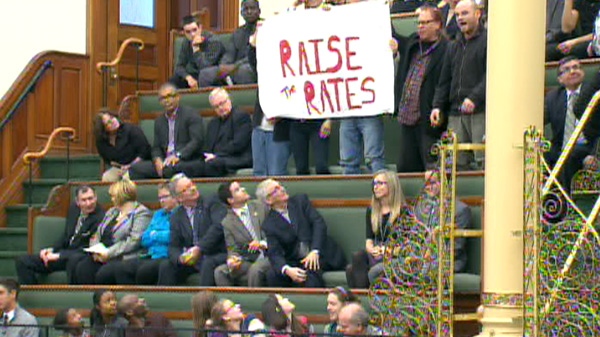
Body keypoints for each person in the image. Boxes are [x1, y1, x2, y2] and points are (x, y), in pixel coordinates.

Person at [431, 0, 487, 171]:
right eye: (457, 15)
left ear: (477, 14)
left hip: (480, 112)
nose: (460, 18)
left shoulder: (489, 41)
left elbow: (492, 75)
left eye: (465, 13)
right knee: (453, 164)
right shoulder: (453, 45)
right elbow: (444, 81)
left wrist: (474, 98)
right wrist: (437, 106)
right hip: (455, 113)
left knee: (483, 161)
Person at [394, 5, 449, 172]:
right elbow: (392, 35)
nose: (421, 26)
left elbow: (444, 84)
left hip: (427, 120)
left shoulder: (446, 49)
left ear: (438, 24)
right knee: (406, 168)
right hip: (407, 117)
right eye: (419, 23)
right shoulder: (413, 43)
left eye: (426, 22)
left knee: (431, 168)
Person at [15, 186, 104, 285]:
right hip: (63, 253)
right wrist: (52, 249)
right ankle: (33, 294)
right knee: (23, 261)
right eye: (84, 200)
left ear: (96, 197)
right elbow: (66, 236)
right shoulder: (73, 209)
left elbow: (88, 248)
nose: (88, 203)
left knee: (74, 261)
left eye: (90, 198)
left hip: (79, 257)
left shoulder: (101, 217)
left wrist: (59, 256)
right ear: (77, 202)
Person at [72, 180, 152, 284]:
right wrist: (95, 250)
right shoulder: (112, 211)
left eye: (113, 196)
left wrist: (108, 253)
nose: (111, 199)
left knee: (103, 274)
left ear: (121, 196)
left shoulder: (141, 213)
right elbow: (97, 234)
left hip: (122, 257)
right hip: (102, 255)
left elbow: (133, 241)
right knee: (82, 268)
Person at [158, 174, 227, 286]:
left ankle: (204, 302)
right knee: (167, 266)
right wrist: (180, 258)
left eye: (192, 184)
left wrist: (199, 248)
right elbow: (173, 246)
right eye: (187, 189)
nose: (193, 188)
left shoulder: (212, 202)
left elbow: (218, 227)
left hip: (215, 253)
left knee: (207, 263)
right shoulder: (177, 215)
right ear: (179, 198)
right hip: (193, 259)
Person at [256, 179, 327, 288]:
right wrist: (286, 269)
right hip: (296, 260)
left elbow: (319, 224)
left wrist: (315, 251)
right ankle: (282, 304)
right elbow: (275, 253)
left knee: (310, 274)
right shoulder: (269, 224)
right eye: (276, 189)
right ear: (269, 200)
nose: (282, 189)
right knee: (272, 275)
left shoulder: (300, 201)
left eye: (280, 186)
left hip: (318, 253)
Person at [129, 83, 205, 179]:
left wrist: (178, 156)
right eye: (163, 98)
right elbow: (156, 147)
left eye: (170, 96)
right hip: (166, 161)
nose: (166, 101)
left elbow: (196, 141)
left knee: (169, 170)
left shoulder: (191, 114)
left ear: (177, 97)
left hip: (186, 160)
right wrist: (157, 160)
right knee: (134, 169)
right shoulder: (159, 121)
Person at [346, 170, 407, 288]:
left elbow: (406, 244)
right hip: (376, 253)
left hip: (393, 254)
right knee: (357, 257)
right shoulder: (371, 210)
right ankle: (364, 296)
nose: (376, 187)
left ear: (391, 186)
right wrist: (372, 249)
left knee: (352, 270)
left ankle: (362, 298)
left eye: (380, 183)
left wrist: (386, 250)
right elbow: (369, 240)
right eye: (374, 184)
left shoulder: (403, 212)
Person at [545, 56, 597, 190]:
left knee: (570, 156)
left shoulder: (592, 93)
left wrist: (594, 153)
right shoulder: (553, 97)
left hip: (588, 146)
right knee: (538, 156)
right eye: (567, 70)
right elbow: (538, 119)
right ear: (560, 79)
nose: (573, 71)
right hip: (561, 149)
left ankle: (568, 204)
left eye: (576, 67)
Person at [248, 21, 291, 176]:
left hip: (279, 129)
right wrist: (256, 38)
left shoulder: (291, 71)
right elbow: (253, 59)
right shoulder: (264, 68)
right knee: (258, 172)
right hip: (259, 126)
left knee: (276, 173)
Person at [115, 184, 178, 285]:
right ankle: (130, 298)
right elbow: (144, 238)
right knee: (121, 269)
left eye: (165, 197)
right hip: (151, 255)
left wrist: (154, 235)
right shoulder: (158, 214)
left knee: (145, 271)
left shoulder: (179, 214)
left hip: (166, 255)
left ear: (175, 197)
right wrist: (158, 235)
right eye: (160, 198)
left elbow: (173, 236)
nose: (162, 201)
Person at [214, 181, 270, 287]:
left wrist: (262, 243)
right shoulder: (227, 222)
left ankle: (254, 302)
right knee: (220, 271)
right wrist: (232, 259)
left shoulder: (260, 206)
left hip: (270, 254)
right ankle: (229, 303)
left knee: (256, 269)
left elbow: (274, 232)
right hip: (249, 259)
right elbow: (232, 249)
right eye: (237, 190)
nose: (243, 189)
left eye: (240, 187)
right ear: (230, 200)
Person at [415, 170, 470, 273]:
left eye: (432, 182)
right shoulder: (421, 208)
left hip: (446, 262)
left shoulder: (460, 210)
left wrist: (430, 256)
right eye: (425, 183)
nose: (427, 187)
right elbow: (415, 238)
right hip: (422, 259)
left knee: (422, 273)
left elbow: (455, 248)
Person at [203, 0, 260, 86]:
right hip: (234, 68)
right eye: (246, 9)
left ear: (259, 11)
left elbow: (255, 56)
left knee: (243, 71)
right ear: (241, 13)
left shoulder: (264, 28)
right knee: (206, 74)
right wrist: (224, 65)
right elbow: (230, 53)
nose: (249, 12)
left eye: (252, 8)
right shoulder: (238, 32)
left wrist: (234, 66)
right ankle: (217, 96)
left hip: (254, 67)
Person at [203, 88, 253, 177]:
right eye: (216, 106)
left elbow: (238, 145)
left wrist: (216, 156)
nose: (220, 108)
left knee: (212, 164)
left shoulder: (241, 117)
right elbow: (208, 147)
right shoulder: (213, 123)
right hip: (217, 159)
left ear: (229, 100)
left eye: (222, 103)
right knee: (196, 165)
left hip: (237, 158)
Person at [93, 109, 151, 182]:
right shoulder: (102, 141)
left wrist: (130, 166)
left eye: (112, 118)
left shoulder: (131, 130)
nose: (113, 122)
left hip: (138, 165)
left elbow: (144, 152)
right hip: (120, 168)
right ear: (103, 129)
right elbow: (107, 159)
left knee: (127, 177)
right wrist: (118, 166)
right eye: (108, 123)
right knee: (107, 177)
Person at [170, 15, 225, 89]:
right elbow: (179, 67)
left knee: (204, 76)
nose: (192, 34)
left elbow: (204, 67)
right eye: (188, 32)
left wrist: (195, 48)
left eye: (194, 30)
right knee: (173, 81)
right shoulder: (186, 42)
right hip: (195, 75)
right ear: (184, 33)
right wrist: (188, 77)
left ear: (200, 28)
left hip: (213, 75)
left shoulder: (213, 41)